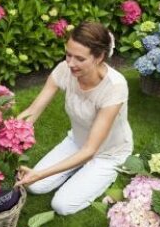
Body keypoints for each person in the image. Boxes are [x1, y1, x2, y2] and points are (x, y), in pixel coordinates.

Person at [14, 21, 133, 215]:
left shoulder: (115, 87)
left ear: (99, 57)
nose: (70, 63)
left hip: (106, 153)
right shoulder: (65, 70)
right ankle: (78, 168)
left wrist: (40, 173)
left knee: (61, 206)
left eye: (79, 58)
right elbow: (33, 110)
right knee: (35, 186)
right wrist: (10, 133)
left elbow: (90, 150)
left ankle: (106, 172)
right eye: (68, 54)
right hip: (77, 141)